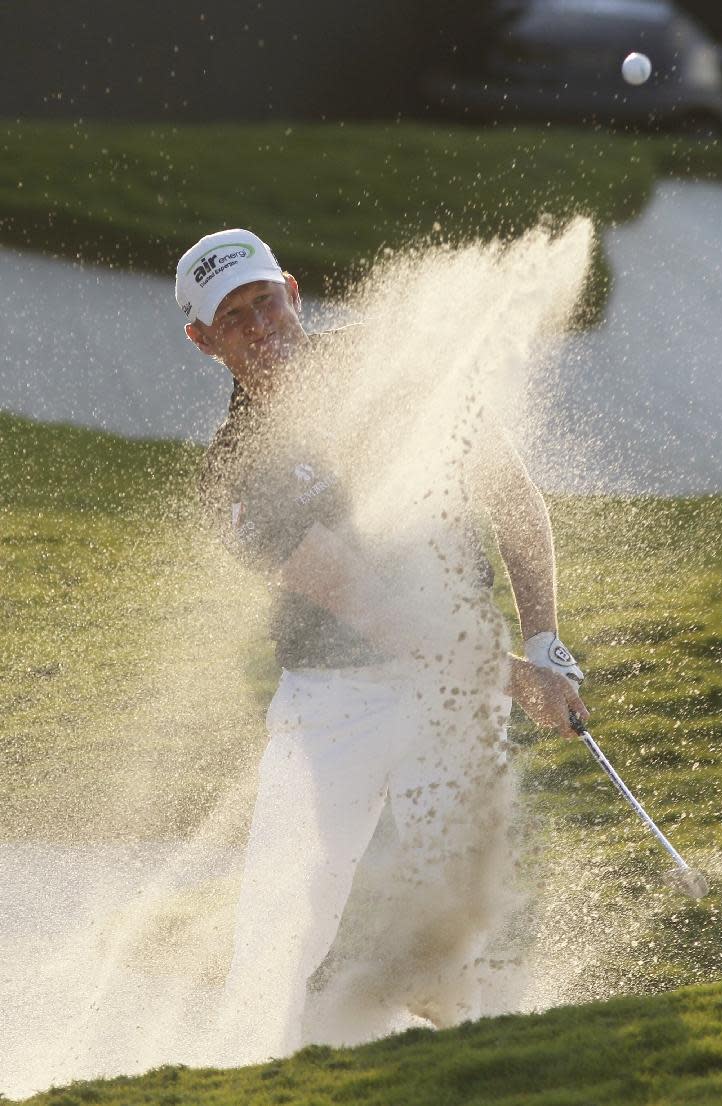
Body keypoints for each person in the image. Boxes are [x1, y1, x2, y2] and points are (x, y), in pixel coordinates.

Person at [175, 229, 589, 1061]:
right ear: (205, 340)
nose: (262, 328)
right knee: (287, 919)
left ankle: (459, 1069)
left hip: (456, 692)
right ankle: (246, 1068)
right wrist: (512, 676)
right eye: (235, 319)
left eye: (266, 303)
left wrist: (545, 641)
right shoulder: (236, 469)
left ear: (292, 291)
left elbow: (512, 496)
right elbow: (365, 604)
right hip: (335, 702)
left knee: (452, 903)